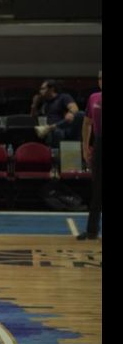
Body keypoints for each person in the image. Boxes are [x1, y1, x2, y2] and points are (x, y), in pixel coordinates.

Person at [77, 70, 101, 240]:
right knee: (97, 188)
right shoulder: (93, 98)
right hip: (99, 143)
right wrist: (85, 147)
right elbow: (87, 124)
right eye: (100, 78)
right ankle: (92, 230)